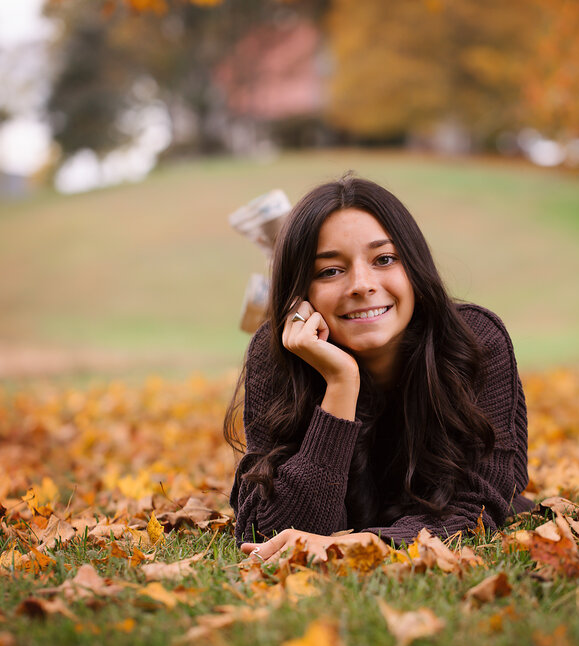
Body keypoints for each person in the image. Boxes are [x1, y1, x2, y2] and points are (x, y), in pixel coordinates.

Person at [224, 173, 531, 562]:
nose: (362, 284)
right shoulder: (277, 355)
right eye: (329, 270)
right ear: (302, 294)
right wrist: (340, 385)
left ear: (414, 268)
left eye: (384, 259)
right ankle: (280, 250)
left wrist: (356, 543)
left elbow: (477, 511)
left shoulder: (473, 340)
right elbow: (270, 533)